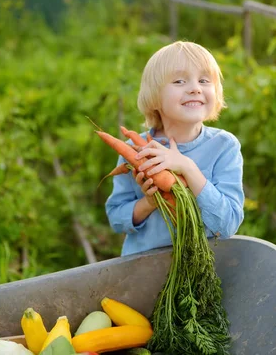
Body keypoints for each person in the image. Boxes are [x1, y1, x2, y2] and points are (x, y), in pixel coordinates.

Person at [105, 40, 245, 256]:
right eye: (179, 81)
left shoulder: (224, 147)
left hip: (199, 270)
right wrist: (149, 202)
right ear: (155, 96)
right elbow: (116, 218)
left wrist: (188, 167)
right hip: (142, 269)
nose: (195, 89)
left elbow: (227, 225)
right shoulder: (134, 150)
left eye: (204, 80)